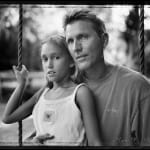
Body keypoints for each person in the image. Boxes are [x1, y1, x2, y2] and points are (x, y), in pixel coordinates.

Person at [63, 9, 150, 146]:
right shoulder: (66, 87)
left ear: (104, 40)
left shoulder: (137, 88)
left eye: (83, 37)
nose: (76, 48)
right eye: (70, 41)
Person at [2, 34, 102, 146]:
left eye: (56, 58)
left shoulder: (80, 93)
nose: (49, 65)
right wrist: (21, 84)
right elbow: (7, 117)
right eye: (45, 59)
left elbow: (95, 142)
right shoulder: (42, 94)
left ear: (71, 61)